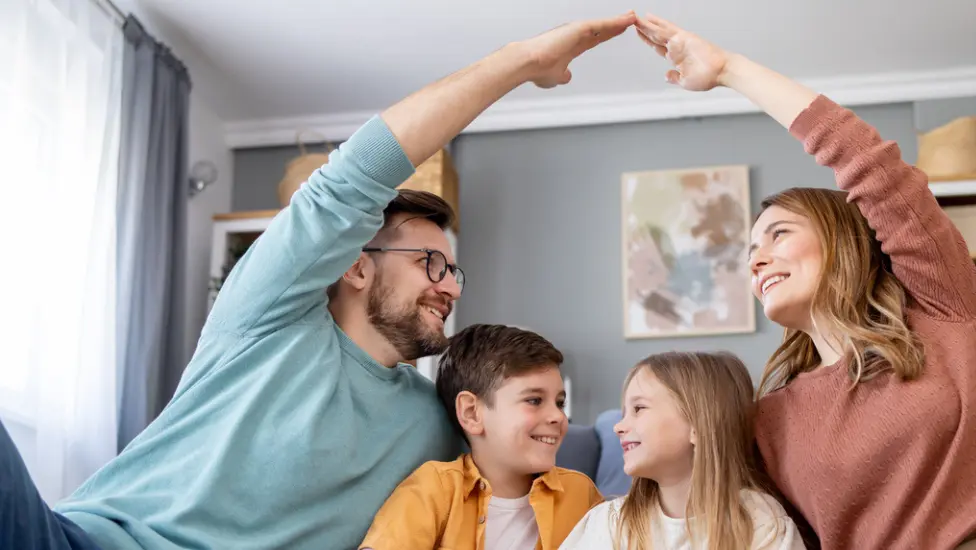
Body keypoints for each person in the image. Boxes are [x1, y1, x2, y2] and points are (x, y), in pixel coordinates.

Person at [0, 12, 639, 550]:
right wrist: (521, 61)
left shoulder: (437, 423)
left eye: (454, 271)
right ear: (356, 264)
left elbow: (520, 462)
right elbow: (355, 175)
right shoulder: (269, 318)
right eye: (430, 264)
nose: (451, 288)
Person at [630, 14, 976, 550]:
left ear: (844, 242)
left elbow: (870, 165)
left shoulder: (941, 312)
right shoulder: (771, 418)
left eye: (778, 234)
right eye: (751, 251)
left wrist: (728, 68)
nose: (757, 260)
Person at [358, 323, 602, 549]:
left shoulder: (581, 494)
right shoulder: (435, 490)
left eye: (560, 403)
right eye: (534, 400)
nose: (558, 416)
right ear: (472, 413)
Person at [560, 351, 807, 550]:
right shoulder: (610, 522)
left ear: (698, 426)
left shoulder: (759, 521)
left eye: (639, 409)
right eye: (624, 413)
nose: (618, 427)